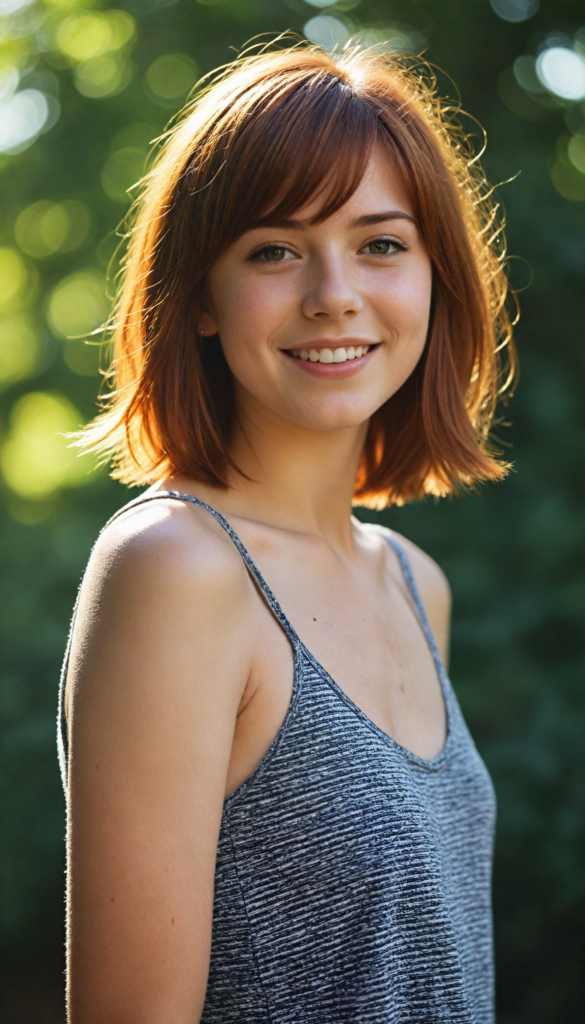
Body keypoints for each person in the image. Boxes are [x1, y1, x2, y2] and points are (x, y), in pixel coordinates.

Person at [58, 40, 515, 1024]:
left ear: (436, 279)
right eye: (274, 248)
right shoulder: (176, 567)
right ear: (203, 298)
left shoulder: (412, 580)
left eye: (381, 244)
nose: (334, 292)